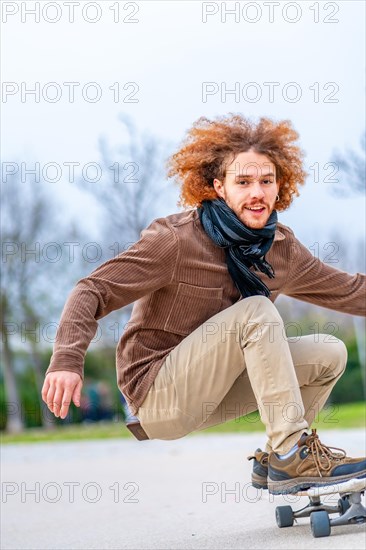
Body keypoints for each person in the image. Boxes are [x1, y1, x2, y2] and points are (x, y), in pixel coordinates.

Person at [42, 115, 366, 495]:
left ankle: (279, 460)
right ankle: (294, 452)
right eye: (243, 182)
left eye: (266, 181)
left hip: (218, 391)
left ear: (281, 186)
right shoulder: (177, 240)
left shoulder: (281, 251)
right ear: (218, 187)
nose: (256, 193)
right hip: (158, 394)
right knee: (258, 312)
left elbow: (351, 291)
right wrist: (66, 360)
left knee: (329, 351)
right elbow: (92, 289)